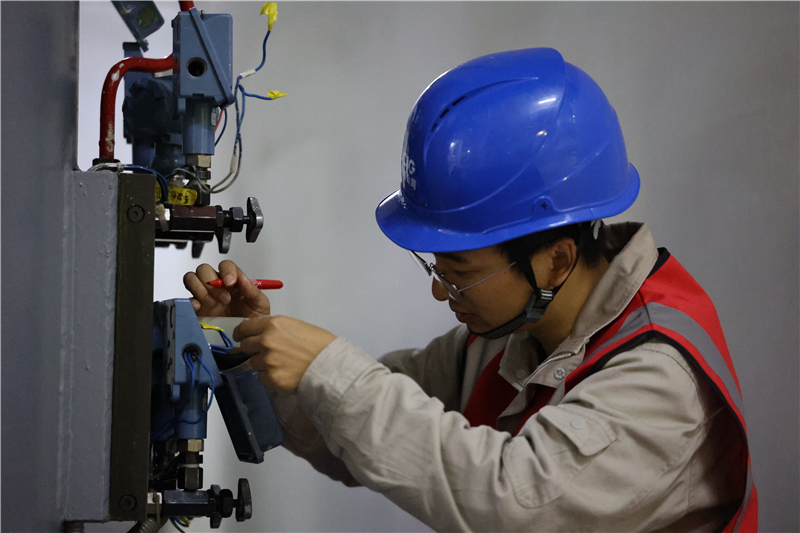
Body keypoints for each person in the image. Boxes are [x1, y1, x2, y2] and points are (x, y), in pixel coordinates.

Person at [184, 48, 757, 532]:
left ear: (556, 261)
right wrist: (255, 349)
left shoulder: (658, 381)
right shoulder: (511, 336)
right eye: (435, 267)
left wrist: (329, 368)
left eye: (460, 272)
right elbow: (360, 440)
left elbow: (514, 501)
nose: (442, 294)